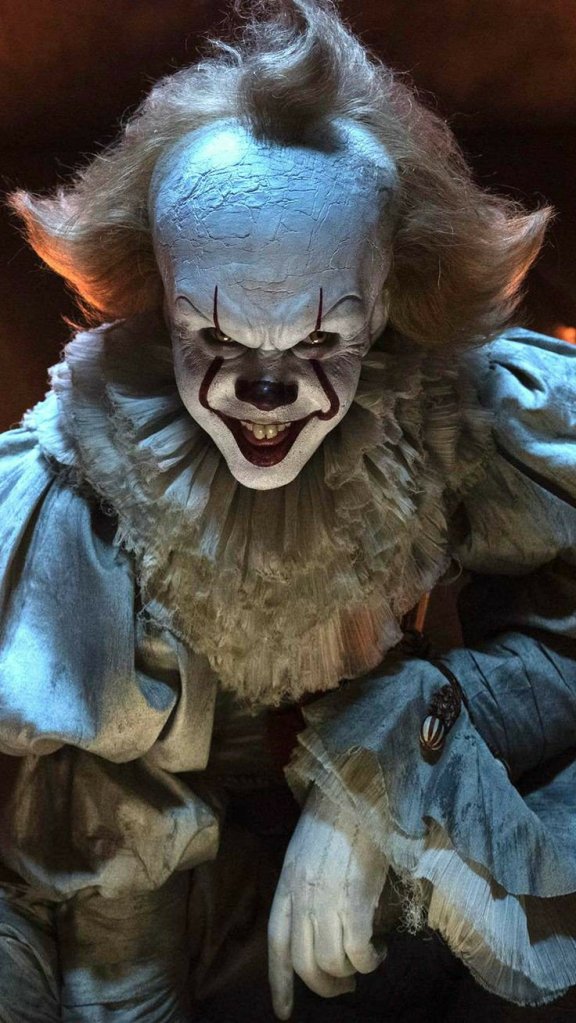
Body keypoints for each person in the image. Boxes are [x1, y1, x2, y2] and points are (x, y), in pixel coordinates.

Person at [2, 0, 576, 1019]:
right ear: (162, 298)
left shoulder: (459, 415)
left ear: (385, 299)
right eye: (213, 339)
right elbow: (108, 893)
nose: (264, 394)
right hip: (165, 926)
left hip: (377, 893)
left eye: (320, 342)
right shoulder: (89, 478)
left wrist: (397, 745)